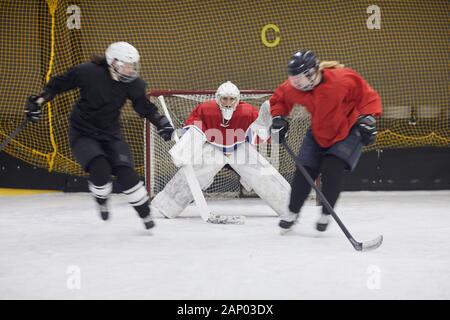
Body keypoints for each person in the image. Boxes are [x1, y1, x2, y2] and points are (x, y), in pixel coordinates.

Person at [24, 41, 174, 230]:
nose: (130, 70)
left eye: (132, 66)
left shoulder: (134, 85)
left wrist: (160, 122)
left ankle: (145, 215)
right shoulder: (88, 72)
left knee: (126, 174)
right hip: (83, 132)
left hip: (111, 134)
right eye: (125, 66)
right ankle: (101, 199)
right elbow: (58, 84)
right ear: (112, 63)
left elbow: (143, 107)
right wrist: (38, 101)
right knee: (99, 167)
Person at [270, 49, 382, 233]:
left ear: (312, 73)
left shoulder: (342, 79)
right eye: (293, 78)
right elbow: (280, 99)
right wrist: (279, 118)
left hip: (348, 130)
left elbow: (367, 96)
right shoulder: (294, 88)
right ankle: (292, 211)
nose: (296, 83)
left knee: (332, 168)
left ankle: (326, 213)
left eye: (300, 78)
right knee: (304, 170)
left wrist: (368, 119)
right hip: (318, 132)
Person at [150, 81, 292, 220]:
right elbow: (195, 129)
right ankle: (167, 205)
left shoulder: (247, 111)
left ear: (237, 100)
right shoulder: (206, 109)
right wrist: (184, 146)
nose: (228, 103)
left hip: (239, 148)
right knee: (194, 174)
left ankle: (289, 205)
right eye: (225, 99)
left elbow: (258, 130)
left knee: (262, 174)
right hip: (214, 148)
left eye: (232, 99)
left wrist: (273, 126)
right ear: (218, 98)